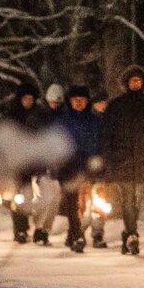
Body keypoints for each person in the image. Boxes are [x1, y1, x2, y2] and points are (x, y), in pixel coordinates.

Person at [100, 65, 144, 255]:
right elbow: (106, 134)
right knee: (129, 199)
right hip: (122, 161)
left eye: (138, 80)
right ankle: (132, 234)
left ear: (143, 83)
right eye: (132, 80)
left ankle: (128, 233)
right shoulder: (116, 106)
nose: (135, 83)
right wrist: (108, 158)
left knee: (136, 200)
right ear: (127, 83)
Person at [53, 85, 105, 252]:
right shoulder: (62, 120)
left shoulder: (95, 120)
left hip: (89, 166)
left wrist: (100, 162)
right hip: (68, 166)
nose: (78, 103)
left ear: (87, 101)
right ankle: (77, 235)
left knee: (92, 202)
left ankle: (74, 234)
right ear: (70, 101)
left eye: (82, 100)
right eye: (75, 100)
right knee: (72, 203)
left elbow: (101, 143)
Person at [9, 80, 54, 243]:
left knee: (44, 196)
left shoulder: (41, 114)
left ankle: (40, 229)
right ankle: (20, 229)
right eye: (25, 98)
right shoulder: (12, 115)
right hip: (19, 163)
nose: (28, 100)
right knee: (21, 198)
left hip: (38, 161)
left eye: (30, 98)